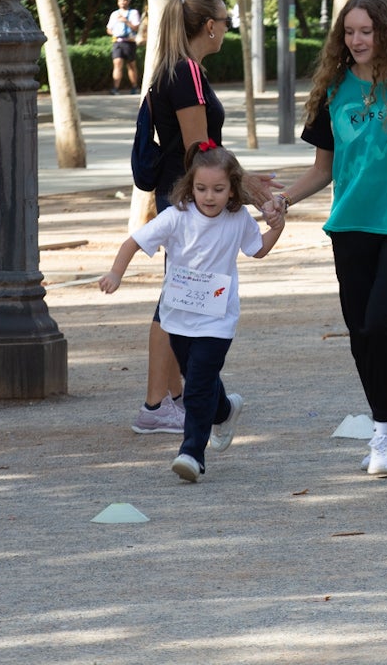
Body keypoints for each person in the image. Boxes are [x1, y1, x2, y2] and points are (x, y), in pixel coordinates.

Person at [270, 0, 387, 478]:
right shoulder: (333, 89)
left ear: (386, 31)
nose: (355, 40)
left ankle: (381, 430)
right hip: (349, 225)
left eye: (365, 31)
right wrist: (282, 200)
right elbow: (322, 170)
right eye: (348, 32)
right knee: (359, 331)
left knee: (379, 322)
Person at [132, 0, 279, 436]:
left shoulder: (176, 69)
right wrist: (246, 187)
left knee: (179, 296)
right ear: (210, 26)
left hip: (184, 192)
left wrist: (244, 182)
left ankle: (179, 400)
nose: (227, 27)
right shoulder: (187, 73)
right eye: (226, 19)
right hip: (187, 196)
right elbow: (200, 147)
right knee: (174, 301)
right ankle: (158, 405)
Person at [99, 141, 284, 482]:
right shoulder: (176, 216)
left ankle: (192, 453)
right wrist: (115, 273)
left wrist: (277, 228)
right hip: (178, 317)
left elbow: (257, 251)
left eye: (218, 189)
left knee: (197, 385)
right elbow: (133, 243)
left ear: (233, 190)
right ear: (190, 186)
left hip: (218, 319)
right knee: (198, 379)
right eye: (201, 188)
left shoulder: (238, 218)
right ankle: (226, 410)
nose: (209, 196)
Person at [107, 0, 141, 95]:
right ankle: (115, 88)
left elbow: (136, 28)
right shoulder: (114, 14)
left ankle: (134, 86)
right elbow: (109, 29)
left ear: (128, 1)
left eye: (124, 0)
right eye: (120, 1)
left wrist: (126, 21)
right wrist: (114, 33)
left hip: (129, 42)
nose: (122, 3)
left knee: (131, 65)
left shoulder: (134, 13)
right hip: (118, 42)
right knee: (117, 64)